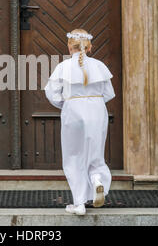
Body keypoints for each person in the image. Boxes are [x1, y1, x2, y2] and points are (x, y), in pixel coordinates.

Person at [44, 29, 116, 216]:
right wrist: (94, 103)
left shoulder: (63, 67)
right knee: (95, 151)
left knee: (74, 155)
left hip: (73, 111)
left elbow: (51, 93)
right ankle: (97, 179)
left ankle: (79, 203)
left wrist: (67, 104)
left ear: (69, 47)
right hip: (97, 110)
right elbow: (108, 93)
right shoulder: (99, 65)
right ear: (90, 47)